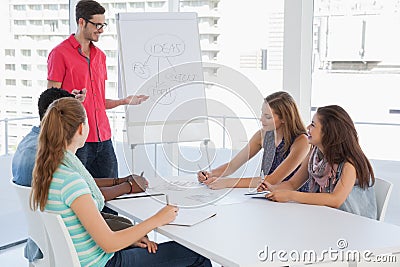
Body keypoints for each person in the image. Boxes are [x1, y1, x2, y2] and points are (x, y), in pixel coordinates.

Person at [31, 97, 211, 266]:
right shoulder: (71, 181)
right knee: (198, 255)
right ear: (81, 128)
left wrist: (131, 237)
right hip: (105, 262)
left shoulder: (49, 171)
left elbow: (89, 233)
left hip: (89, 259)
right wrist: (157, 219)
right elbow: (109, 244)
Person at [12, 87, 147, 262]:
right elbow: (79, 190)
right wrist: (127, 187)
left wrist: (122, 182)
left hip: (50, 239)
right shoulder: (46, 158)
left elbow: (82, 186)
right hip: (66, 244)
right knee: (129, 229)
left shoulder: (32, 147)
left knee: (125, 226)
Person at [47, 0, 149, 179]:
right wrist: (71, 100)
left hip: (104, 139)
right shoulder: (59, 54)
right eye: (97, 25)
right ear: (81, 22)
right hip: (76, 140)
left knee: (113, 194)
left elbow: (99, 103)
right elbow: (50, 101)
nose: (101, 29)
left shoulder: (100, 57)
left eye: (103, 24)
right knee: (79, 195)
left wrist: (124, 101)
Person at [259, 105, 377, 219]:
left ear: (329, 132)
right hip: (327, 218)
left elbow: (335, 200)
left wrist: (291, 195)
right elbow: (293, 184)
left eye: (313, 125)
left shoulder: (349, 164)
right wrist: (273, 188)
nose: (307, 127)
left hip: (352, 223)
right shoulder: (314, 154)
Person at [198, 91, 310, 192]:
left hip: (296, 200)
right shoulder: (263, 135)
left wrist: (227, 182)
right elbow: (233, 165)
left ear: (284, 119)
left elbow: (273, 179)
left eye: (268, 117)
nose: (261, 119)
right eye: (262, 114)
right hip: (270, 196)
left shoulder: (301, 141)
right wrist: (210, 174)